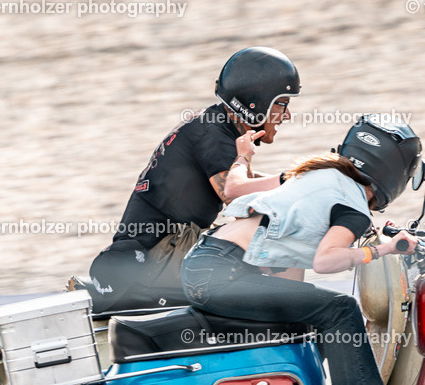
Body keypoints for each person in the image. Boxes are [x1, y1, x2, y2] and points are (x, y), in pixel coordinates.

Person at [181, 117, 423, 385]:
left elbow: (233, 190)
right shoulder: (353, 209)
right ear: (395, 172)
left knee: (310, 322)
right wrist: (384, 249)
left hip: (205, 264)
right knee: (342, 309)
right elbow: (326, 261)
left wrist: (243, 156)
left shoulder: (312, 174)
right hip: (223, 275)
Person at [77, 47, 301, 313]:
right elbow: (239, 198)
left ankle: (281, 322)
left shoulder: (213, 125)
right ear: (257, 103)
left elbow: (248, 182)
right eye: (282, 104)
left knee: (275, 237)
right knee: (285, 240)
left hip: (168, 248)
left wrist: (302, 180)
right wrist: (295, 186)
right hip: (157, 258)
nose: (286, 115)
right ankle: (292, 325)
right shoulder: (214, 137)